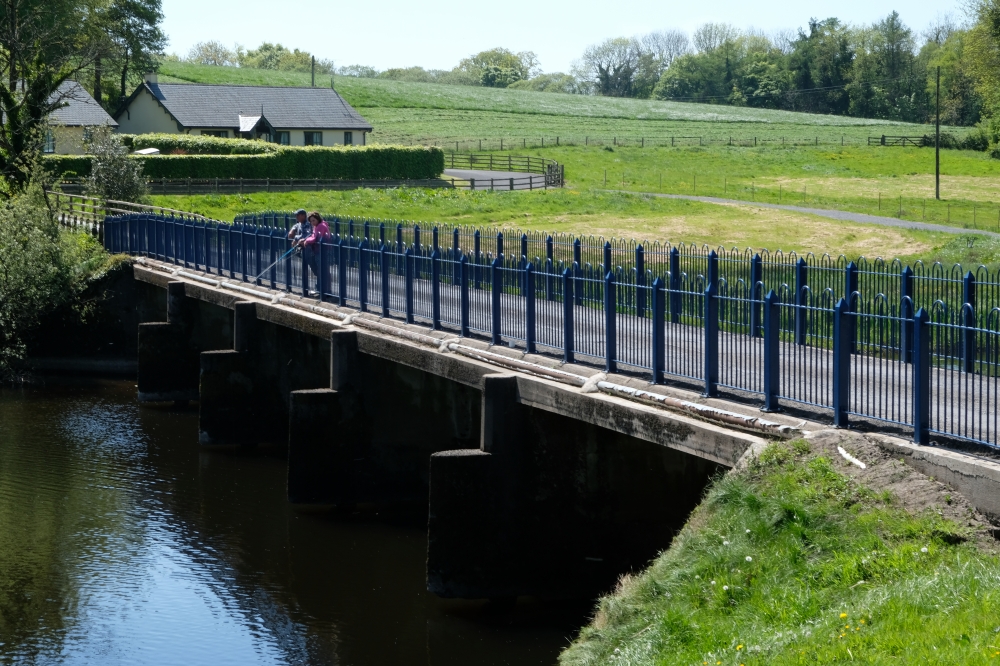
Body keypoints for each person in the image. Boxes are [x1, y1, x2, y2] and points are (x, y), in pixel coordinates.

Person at [301, 211, 331, 294]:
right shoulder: (317, 226)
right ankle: (321, 289)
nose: (312, 222)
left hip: (323, 251)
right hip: (319, 250)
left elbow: (315, 238)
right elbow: (313, 236)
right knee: (320, 269)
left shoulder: (321, 226)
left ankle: (323, 290)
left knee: (322, 270)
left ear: (318, 219)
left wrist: (306, 241)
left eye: (313, 220)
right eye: (311, 221)